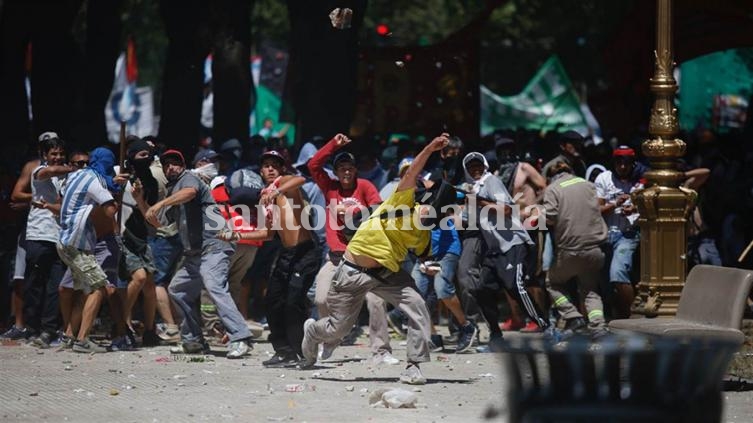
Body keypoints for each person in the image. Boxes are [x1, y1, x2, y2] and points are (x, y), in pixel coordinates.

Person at [299, 133, 455, 385]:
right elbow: (412, 172)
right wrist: (431, 148)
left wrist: (431, 262)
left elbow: (426, 254)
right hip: (352, 269)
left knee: (418, 306)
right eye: (430, 204)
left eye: (435, 212)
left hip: (386, 274)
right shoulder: (402, 200)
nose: (429, 210)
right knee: (338, 329)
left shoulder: (424, 234)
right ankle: (312, 331)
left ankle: (414, 366)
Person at [144, 149, 253, 358]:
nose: (170, 167)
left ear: (183, 165)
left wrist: (160, 203)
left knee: (214, 286)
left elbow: (190, 194)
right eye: (166, 165)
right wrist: (142, 201)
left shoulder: (189, 178)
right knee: (178, 289)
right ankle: (193, 341)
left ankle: (240, 337)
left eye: (175, 163)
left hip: (214, 244)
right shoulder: (172, 190)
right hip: (195, 252)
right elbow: (160, 222)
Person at [221, 150, 322, 367]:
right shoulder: (265, 197)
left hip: (305, 252)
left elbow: (301, 178)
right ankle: (284, 352)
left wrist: (277, 190)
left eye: (275, 164)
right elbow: (266, 233)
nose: (270, 168)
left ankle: (304, 352)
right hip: (286, 254)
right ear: (260, 170)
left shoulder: (285, 184)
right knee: (272, 301)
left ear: (282, 168)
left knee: (293, 303)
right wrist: (236, 234)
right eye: (266, 165)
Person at [307, 134, 397, 365]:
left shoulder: (365, 186)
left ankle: (381, 350)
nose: (346, 172)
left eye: (350, 168)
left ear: (355, 170)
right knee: (321, 298)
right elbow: (313, 165)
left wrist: (353, 216)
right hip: (336, 258)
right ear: (335, 172)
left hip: (364, 258)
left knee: (376, 301)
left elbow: (378, 208)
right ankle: (331, 338)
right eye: (341, 168)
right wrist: (333, 145)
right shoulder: (330, 188)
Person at [460, 152, 549, 350]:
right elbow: (466, 220)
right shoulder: (473, 189)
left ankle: (546, 327)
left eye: (478, 166)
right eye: (471, 167)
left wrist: (479, 201)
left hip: (513, 244)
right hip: (493, 249)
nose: (475, 170)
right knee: (481, 289)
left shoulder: (491, 181)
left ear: (484, 166)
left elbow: (507, 210)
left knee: (515, 286)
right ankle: (496, 336)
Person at [57, 147, 121, 353]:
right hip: (77, 245)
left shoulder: (76, 175)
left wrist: (110, 185)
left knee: (86, 292)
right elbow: (110, 211)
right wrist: (117, 192)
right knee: (99, 288)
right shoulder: (96, 179)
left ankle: (69, 335)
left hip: (66, 242)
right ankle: (82, 340)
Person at [543, 162, 608, 338]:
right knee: (590, 289)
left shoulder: (553, 189)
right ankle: (598, 327)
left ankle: (572, 315)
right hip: (595, 249)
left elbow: (550, 216)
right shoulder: (588, 184)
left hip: (570, 251)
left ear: (550, 176)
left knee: (552, 282)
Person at [24, 136, 73, 347]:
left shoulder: (65, 178)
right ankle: (31, 327)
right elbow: (51, 171)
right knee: (35, 284)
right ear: (45, 156)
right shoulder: (39, 171)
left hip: (60, 237)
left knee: (56, 286)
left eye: (61, 153)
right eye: (54, 154)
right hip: (39, 235)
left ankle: (48, 330)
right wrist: (75, 168)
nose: (58, 157)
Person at [594, 146, 643, 319]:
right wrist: (615, 203)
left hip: (629, 234)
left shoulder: (640, 180)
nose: (622, 167)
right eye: (619, 163)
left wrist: (634, 207)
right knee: (605, 283)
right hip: (606, 235)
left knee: (617, 272)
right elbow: (596, 208)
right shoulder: (604, 178)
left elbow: (648, 205)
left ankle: (633, 316)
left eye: (627, 163)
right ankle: (614, 317)